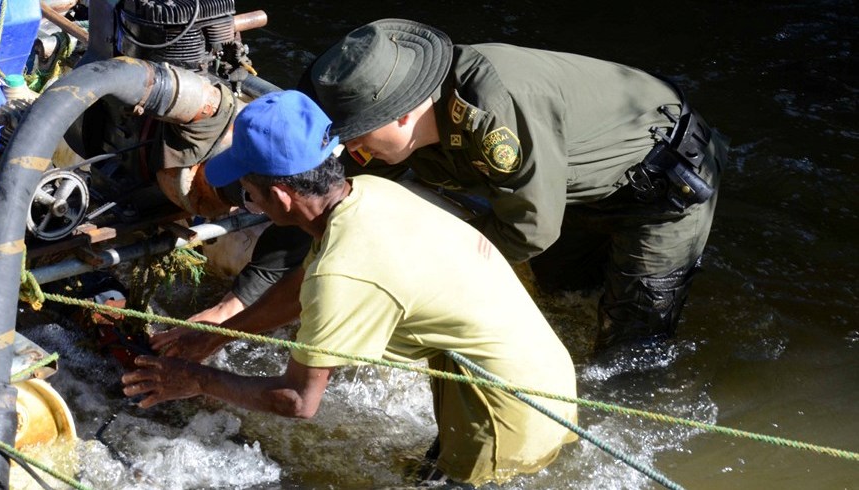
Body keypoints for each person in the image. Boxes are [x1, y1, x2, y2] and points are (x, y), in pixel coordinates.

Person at [122, 90, 579, 486]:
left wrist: (196, 380)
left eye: (248, 193)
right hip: (542, 379)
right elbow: (303, 283)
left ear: (280, 197)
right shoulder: (370, 194)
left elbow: (300, 401)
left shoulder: (342, 273)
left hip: (506, 418)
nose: (248, 203)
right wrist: (214, 336)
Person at [303, 18, 730, 350]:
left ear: (402, 112)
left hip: (663, 188)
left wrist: (430, 277)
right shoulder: (397, 127)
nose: (351, 146)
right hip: (569, 188)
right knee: (563, 297)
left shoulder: (491, 114)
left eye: (355, 132)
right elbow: (337, 202)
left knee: (629, 347)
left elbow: (530, 228)